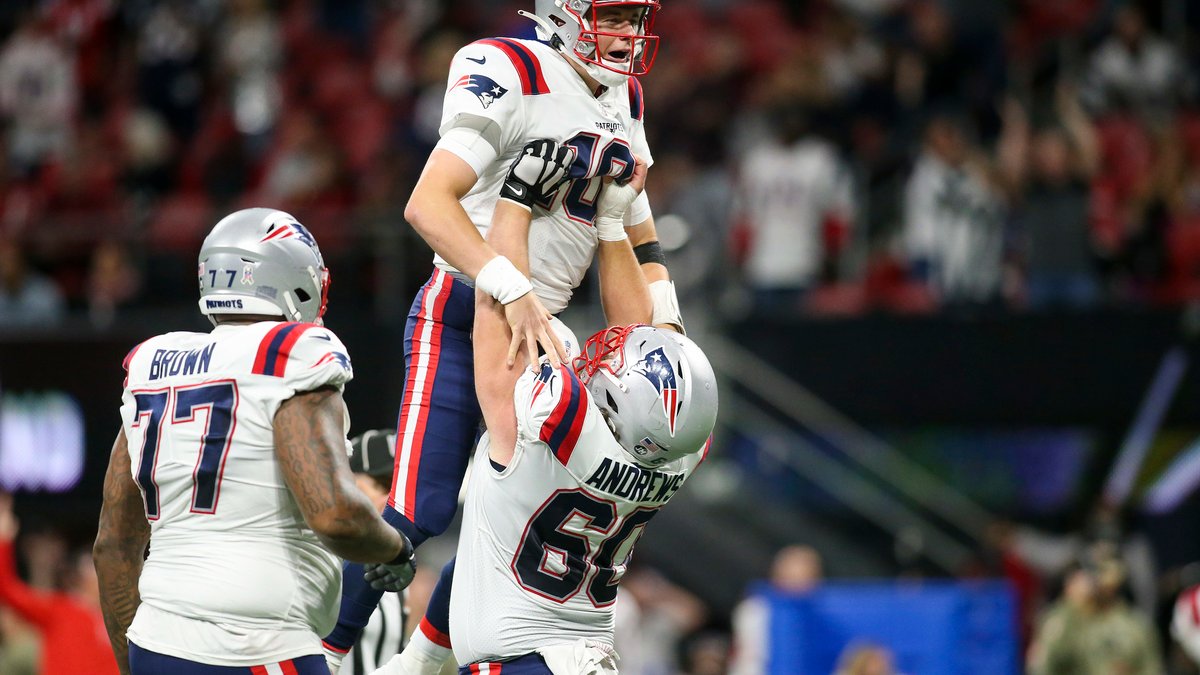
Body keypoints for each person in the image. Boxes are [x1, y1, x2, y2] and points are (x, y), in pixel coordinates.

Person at [325, 0, 685, 667]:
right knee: (416, 513)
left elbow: (634, 215)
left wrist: (666, 314)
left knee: (510, 518)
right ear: (566, 11)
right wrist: (513, 287)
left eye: (636, 17)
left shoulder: (623, 95)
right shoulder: (507, 65)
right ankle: (318, 653)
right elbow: (426, 203)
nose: (630, 34)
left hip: (543, 325)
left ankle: (422, 662)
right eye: (616, 16)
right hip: (468, 309)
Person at [376, 171, 718, 674]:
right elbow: (650, 333)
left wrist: (516, 201)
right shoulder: (681, 448)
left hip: (527, 661)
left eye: (612, 366)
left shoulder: (555, 419)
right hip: (575, 655)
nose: (608, 349)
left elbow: (493, 312)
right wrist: (611, 226)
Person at [92, 208, 416, 675]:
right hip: (257, 645)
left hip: (157, 642)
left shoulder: (151, 363)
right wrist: (395, 549)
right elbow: (336, 515)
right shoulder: (292, 353)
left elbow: (113, 546)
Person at [0, 494, 116, 674]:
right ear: (77, 577)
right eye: (92, 568)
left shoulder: (122, 621)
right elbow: (7, 589)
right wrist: (3, 539)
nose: (100, 575)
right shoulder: (60, 610)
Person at [1026, 547, 1162, 675]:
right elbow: (1042, 667)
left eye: (1104, 570)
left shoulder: (1135, 626)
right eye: (1090, 571)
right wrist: (1068, 607)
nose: (1094, 580)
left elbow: (1151, 669)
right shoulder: (1066, 619)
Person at [343, 430, 409, 675]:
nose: (394, 500)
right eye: (383, 485)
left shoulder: (397, 567)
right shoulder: (322, 560)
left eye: (400, 489)